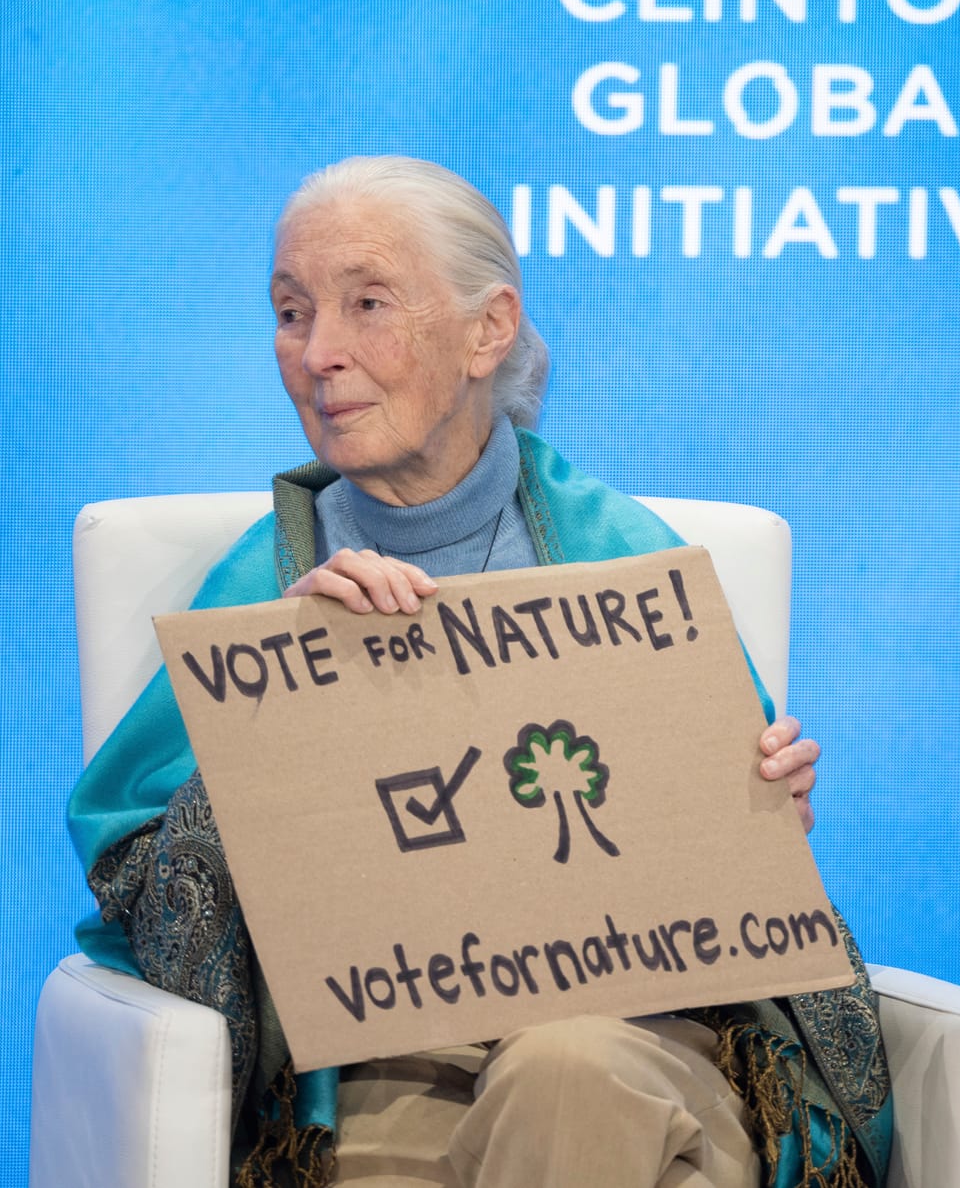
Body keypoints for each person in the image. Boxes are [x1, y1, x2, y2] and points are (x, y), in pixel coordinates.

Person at [67, 156, 892, 1187]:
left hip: (649, 1055)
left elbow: (731, 894)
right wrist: (273, 713)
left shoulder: (623, 562)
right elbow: (150, 898)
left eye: (367, 304)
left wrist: (756, 802)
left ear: (487, 329)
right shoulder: (257, 591)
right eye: (290, 312)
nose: (318, 353)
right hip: (376, 1084)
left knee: (569, 1065)